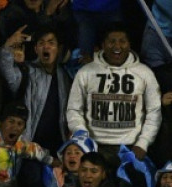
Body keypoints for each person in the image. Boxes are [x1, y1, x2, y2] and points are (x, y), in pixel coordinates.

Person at [66, 23, 162, 165]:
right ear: (103, 45)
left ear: (129, 45)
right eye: (112, 41)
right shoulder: (85, 72)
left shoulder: (145, 73)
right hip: (94, 148)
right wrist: (83, 137)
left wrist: (143, 143)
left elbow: (154, 111)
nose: (117, 46)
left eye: (122, 41)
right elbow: (74, 109)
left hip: (131, 149)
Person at [0, 26, 73, 153]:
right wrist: (7, 48)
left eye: (51, 43)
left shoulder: (65, 75)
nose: (46, 47)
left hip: (58, 145)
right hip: (30, 145)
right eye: (41, 43)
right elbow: (10, 78)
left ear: (58, 49)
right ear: (36, 49)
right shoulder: (29, 70)